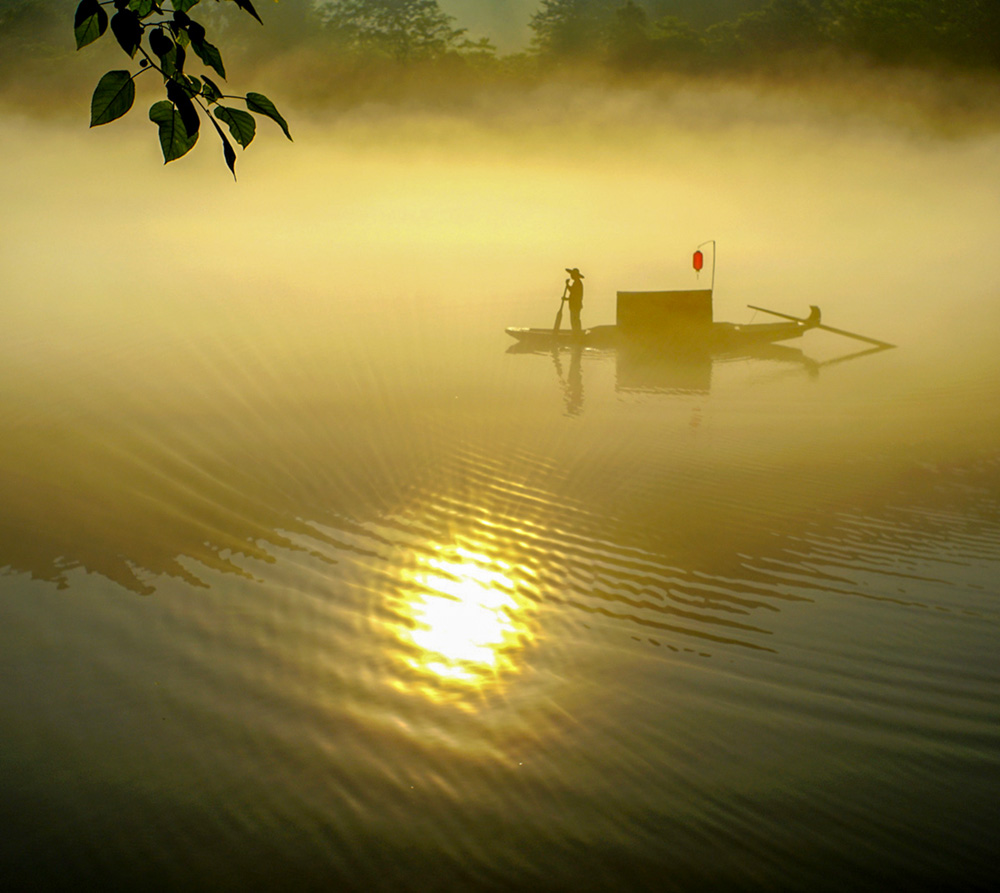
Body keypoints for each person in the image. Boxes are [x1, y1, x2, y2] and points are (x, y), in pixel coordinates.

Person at [565, 267, 584, 335]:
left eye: (572, 274)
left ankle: (577, 333)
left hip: (575, 305)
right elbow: (573, 294)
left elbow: (574, 293)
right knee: (574, 320)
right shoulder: (576, 283)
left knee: (575, 320)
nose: (571, 276)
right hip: (574, 305)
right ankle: (576, 332)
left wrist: (567, 285)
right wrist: (567, 299)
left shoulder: (578, 283)